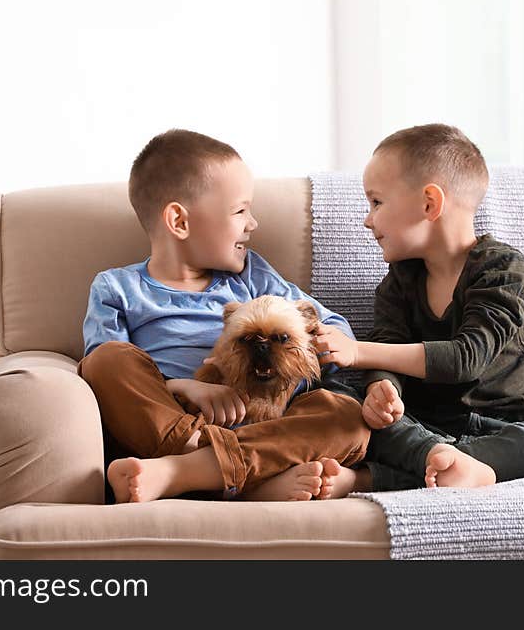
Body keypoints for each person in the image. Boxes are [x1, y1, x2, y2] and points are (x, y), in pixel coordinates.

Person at [77, 128, 370, 504]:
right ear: (179, 222)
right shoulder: (117, 287)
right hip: (172, 423)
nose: (253, 224)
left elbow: (333, 330)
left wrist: (282, 376)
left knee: (347, 416)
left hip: (266, 421)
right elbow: (103, 374)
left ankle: (188, 472)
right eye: (240, 211)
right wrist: (182, 387)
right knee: (105, 360)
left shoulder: (251, 275)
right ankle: (235, 472)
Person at [313, 123, 524, 493]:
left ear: (429, 203)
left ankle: (375, 478)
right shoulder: (400, 280)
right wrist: (381, 391)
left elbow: (466, 358)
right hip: (425, 428)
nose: (367, 218)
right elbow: (387, 348)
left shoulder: (502, 269)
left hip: (504, 426)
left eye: (376, 202)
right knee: (350, 409)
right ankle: (452, 463)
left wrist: (356, 352)